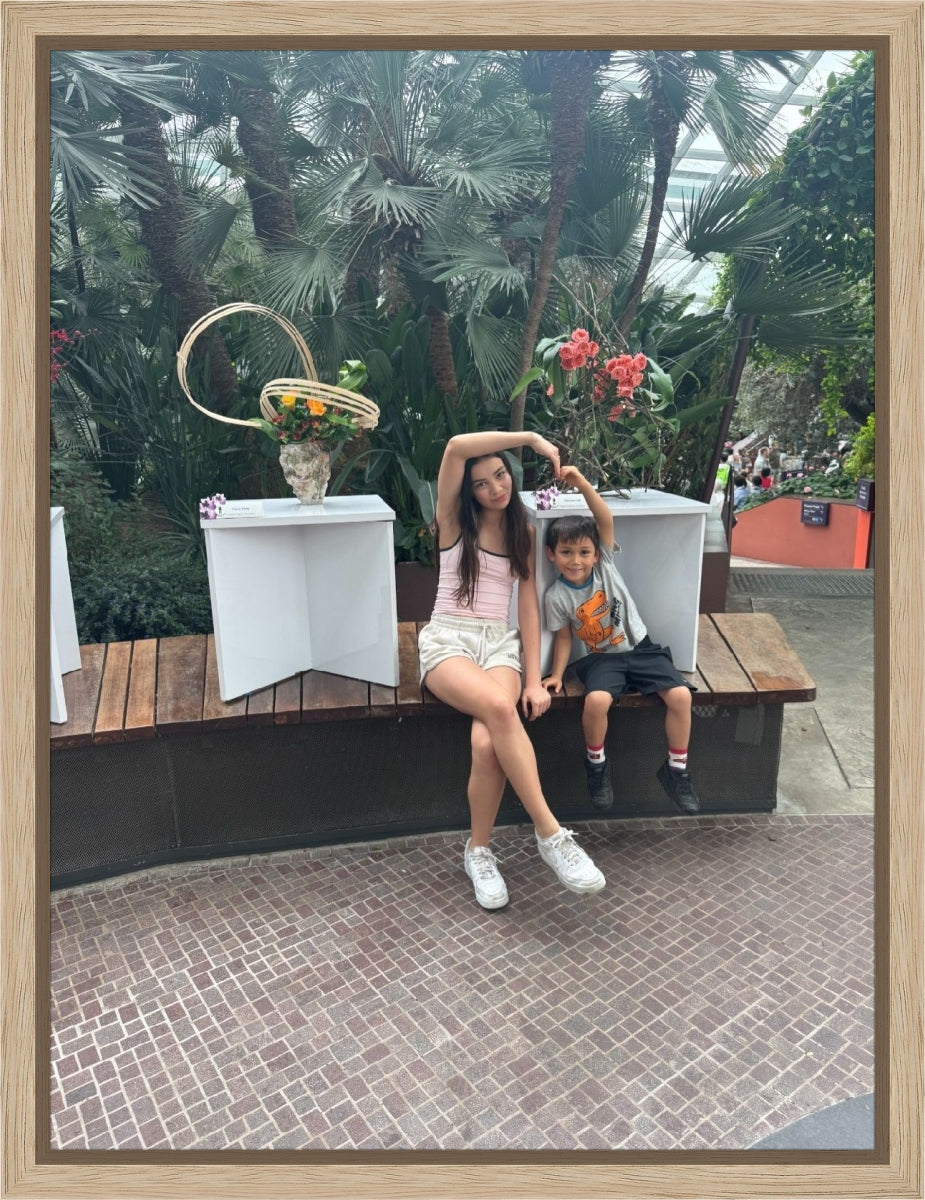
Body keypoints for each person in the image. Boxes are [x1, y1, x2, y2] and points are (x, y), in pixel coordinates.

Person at [418, 432, 606, 910]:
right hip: (449, 640)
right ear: (469, 492)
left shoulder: (522, 531)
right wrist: (531, 439)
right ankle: (551, 835)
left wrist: (532, 678)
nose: (495, 488)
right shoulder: (451, 521)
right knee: (501, 710)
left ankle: (478, 852)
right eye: (481, 483)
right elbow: (455, 447)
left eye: (500, 475)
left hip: (498, 646)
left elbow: (526, 607)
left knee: (487, 743)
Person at [540, 466, 700, 816]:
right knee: (596, 701)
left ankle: (676, 771)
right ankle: (596, 766)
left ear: (596, 554)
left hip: (641, 650)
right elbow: (563, 637)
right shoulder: (556, 596)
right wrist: (556, 674)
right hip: (602, 659)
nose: (576, 560)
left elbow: (604, 518)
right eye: (566, 552)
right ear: (551, 554)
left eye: (584, 552)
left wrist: (582, 483)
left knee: (681, 696)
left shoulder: (605, 567)